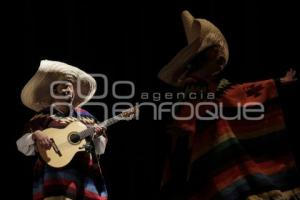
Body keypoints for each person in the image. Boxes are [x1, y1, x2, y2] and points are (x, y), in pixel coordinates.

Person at [158, 10, 300, 200]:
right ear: (211, 52)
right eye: (218, 53)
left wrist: (276, 83)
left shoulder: (214, 88)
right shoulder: (193, 90)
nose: (221, 62)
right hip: (205, 164)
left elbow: (239, 93)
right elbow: (184, 130)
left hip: (219, 161)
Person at [17, 60, 108, 200]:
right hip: (54, 182)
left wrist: (98, 135)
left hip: (85, 179)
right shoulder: (42, 117)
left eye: (71, 88)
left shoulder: (87, 117)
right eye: (64, 87)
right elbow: (22, 146)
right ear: (54, 91)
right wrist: (35, 134)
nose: (69, 90)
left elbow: (100, 149)